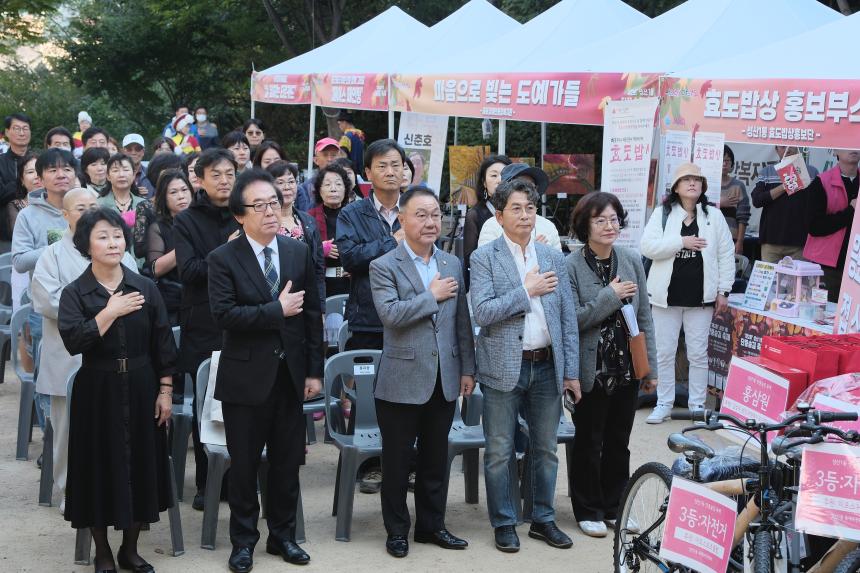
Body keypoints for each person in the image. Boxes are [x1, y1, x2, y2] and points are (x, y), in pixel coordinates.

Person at [208, 168, 323, 572]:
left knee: (287, 463)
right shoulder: (222, 258)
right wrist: (276, 311)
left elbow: (312, 315)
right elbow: (224, 315)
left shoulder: (297, 252)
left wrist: (314, 371)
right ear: (240, 215)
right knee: (243, 467)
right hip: (244, 379)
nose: (271, 211)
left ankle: (283, 537)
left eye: (274, 202)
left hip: (290, 377)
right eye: (260, 205)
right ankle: (243, 543)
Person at [58, 207, 176, 573]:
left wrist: (165, 391)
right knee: (97, 467)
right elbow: (74, 341)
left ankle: (130, 548)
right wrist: (109, 312)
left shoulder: (145, 287)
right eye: (103, 236)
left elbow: (163, 345)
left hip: (142, 385)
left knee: (141, 463)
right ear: (86, 245)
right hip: (97, 388)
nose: (113, 243)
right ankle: (103, 552)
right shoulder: (76, 292)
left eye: (117, 235)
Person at [470, 177, 579, 553]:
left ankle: (542, 518)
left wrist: (572, 372)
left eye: (530, 208)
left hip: (547, 365)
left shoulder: (551, 256)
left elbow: (566, 318)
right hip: (503, 366)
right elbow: (482, 312)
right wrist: (525, 291)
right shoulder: (484, 257)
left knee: (546, 448)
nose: (525, 215)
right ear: (499, 216)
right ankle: (504, 521)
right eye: (515, 208)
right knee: (499, 449)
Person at [369, 185, 475, 559]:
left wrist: (466, 368)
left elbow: (461, 322)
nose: (431, 222)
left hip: (444, 377)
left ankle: (432, 526)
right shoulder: (383, 266)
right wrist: (430, 296)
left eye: (435, 214)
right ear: (402, 219)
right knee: (397, 463)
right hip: (400, 382)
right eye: (421, 214)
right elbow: (391, 316)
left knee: (435, 460)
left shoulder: (451, 263)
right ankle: (397, 531)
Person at [31, 188, 138, 517]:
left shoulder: (120, 250)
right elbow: (49, 301)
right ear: (65, 215)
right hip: (68, 357)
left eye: (95, 205)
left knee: (115, 428)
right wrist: (106, 307)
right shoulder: (51, 254)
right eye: (81, 208)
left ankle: (114, 489)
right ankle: (70, 490)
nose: (90, 212)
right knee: (67, 430)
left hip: (117, 359)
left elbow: (137, 296)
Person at [565, 191, 658, 538]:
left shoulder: (631, 259)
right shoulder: (570, 265)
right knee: (589, 442)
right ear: (584, 225)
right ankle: (587, 509)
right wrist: (610, 297)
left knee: (619, 441)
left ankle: (615, 506)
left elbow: (645, 316)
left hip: (627, 368)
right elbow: (571, 319)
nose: (609, 226)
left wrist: (649, 370)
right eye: (600, 219)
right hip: (591, 371)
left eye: (614, 219)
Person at [335, 138, 407, 494]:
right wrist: (392, 241)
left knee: (407, 396)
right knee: (371, 397)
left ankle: (405, 464)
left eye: (396, 164)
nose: (391, 171)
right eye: (382, 165)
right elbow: (349, 258)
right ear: (367, 173)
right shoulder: (352, 213)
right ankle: (372, 465)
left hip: (412, 317)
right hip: (368, 318)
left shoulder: (417, 207)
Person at [173, 148, 241, 509]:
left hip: (244, 322)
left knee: (242, 405)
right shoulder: (186, 220)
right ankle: (206, 484)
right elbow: (191, 273)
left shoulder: (246, 212)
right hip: (203, 323)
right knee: (206, 408)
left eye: (230, 172)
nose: (225, 180)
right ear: (199, 179)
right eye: (216, 174)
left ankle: (239, 482)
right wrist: (227, 251)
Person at [641, 162, 735, 423]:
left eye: (697, 179)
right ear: (676, 187)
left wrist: (723, 290)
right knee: (664, 351)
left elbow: (726, 254)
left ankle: (696, 407)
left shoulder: (713, 216)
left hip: (701, 298)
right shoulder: (663, 213)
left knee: (697, 353)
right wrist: (681, 242)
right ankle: (664, 403)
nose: (692, 183)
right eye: (686, 179)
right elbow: (648, 247)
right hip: (665, 298)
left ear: (703, 186)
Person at [13, 148, 76, 433]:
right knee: (47, 376)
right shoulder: (29, 215)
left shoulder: (90, 208)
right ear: (40, 178)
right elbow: (19, 260)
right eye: (52, 169)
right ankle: (52, 440)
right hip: (44, 307)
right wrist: (56, 248)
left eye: (66, 168)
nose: (61, 174)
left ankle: (80, 438)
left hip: (89, 303)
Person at [266, 160, 325, 305]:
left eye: (291, 182)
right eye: (280, 182)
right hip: (272, 297)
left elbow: (318, 269)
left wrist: (321, 307)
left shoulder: (308, 221)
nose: (287, 187)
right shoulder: (264, 221)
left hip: (306, 296)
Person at [804, 149, 860, 303]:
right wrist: (850, 211)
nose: (854, 149)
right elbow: (814, 226)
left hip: (856, 267)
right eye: (847, 145)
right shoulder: (821, 182)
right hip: (827, 268)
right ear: (835, 150)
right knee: (823, 317)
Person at [751, 146, 820, 263]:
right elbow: (757, 201)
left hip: (800, 243)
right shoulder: (767, 172)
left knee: (796, 281)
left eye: (791, 145)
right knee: (770, 279)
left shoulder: (812, 172)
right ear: (776, 150)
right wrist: (785, 185)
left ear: (798, 148)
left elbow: (817, 205)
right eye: (783, 147)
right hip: (771, 241)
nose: (787, 150)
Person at [145, 168, 192, 325]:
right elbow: (155, 268)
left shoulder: (203, 221)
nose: (181, 196)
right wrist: (186, 243)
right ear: (163, 197)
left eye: (184, 190)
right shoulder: (158, 227)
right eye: (173, 192)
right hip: (173, 300)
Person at [477, 163, 561, 251]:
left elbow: (558, 262)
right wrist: (529, 252)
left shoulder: (548, 227)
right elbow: (485, 261)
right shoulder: (491, 226)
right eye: (520, 186)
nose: (527, 191)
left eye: (531, 186)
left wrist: (543, 255)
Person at [463, 155, 511, 289]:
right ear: (484, 183)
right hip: (488, 285)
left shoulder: (520, 212)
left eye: (503, 175)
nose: (499, 180)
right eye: (493, 176)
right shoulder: (475, 215)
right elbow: (470, 261)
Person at [308, 163, 351, 297]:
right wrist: (320, 249)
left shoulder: (355, 215)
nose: (333, 189)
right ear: (319, 190)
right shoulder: (309, 217)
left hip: (351, 283)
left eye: (338, 184)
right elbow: (299, 251)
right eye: (327, 185)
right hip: (321, 284)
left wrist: (357, 266)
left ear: (345, 189)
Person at [97, 153, 149, 233]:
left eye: (126, 170)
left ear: (134, 174)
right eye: (115, 170)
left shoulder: (144, 204)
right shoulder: (98, 205)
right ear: (108, 176)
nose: (121, 175)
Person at [1, 152, 39, 250]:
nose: (36, 176)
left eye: (40, 170)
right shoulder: (15, 206)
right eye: (30, 172)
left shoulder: (59, 201)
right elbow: (21, 242)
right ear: (22, 179)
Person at [720, 145, 750, 255]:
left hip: (731, 238)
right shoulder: (706, 185)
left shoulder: (738, 186)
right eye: (721, 160)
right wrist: (720, 203)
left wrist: (740, 241)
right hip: (708, 238)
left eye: (727, 160)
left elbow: (743, 217)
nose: (724, 164)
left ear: (732, 163)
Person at [296, 137, 340, 212]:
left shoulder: (348, 184)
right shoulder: (304, 189)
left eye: (333, 155)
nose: (330, 159)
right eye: (325, 155)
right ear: (316, 160)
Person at [0, 113, 32, 208]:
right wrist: (26, 182)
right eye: (17, 128)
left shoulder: (38, 160)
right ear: (7, 132)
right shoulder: (1, 162)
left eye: (25, 128)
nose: (22, 133)